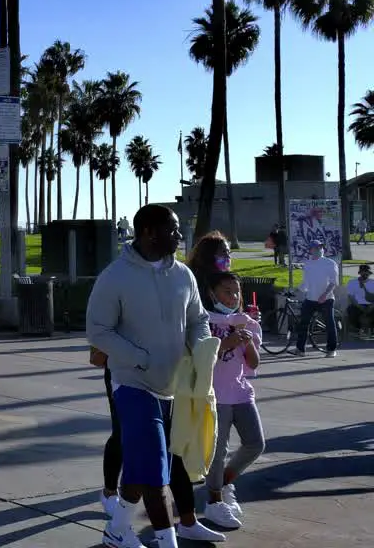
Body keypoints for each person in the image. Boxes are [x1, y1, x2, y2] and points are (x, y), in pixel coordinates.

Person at [87, 204, 218, 548]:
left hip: (172, 387)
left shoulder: (182, 275)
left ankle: (117, 530)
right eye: (172, 229)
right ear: (148, 232)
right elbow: (98, 331)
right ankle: (167, 541)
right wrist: (140, 359)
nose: (179, 236)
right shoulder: (115, 276)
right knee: (155, 473)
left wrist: (201, 351)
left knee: (143, 465)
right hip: (132, 384)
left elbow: (197, 319)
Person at [202, 271, 265, 530]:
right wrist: (227, 342)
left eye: (237, 292)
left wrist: (246, 339)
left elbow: (254, 363)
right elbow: (201, 359)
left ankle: (226, 482)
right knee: (218, 452)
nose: (233, 297)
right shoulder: (204, 321)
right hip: (215, 395)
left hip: (240, 392)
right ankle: (213, 501)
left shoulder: (244, 321)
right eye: (227, 291)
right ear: (211, 293)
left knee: (255, 444)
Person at [293, 238, 340, 357]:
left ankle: (331, 349)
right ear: (311, 250)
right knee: (303, 323)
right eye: (316, 248)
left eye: (321, 248)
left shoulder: (330, 263)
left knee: (329, 323)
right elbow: (306, 283)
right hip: (311, 298)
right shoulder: (308, 264)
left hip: (327, 298)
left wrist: (325, 294)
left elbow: (334, 282)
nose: (319, 250)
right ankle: (300, 349)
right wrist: (296, 290)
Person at [186, 231, 232, 311]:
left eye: (228, 252)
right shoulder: (195, 282)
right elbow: (196, 313)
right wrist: (227, 319)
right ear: (209, 255)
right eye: (223, 252)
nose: (228, 257)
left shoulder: (229, 282)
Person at [346, 264, 373, 340]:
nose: (365, 274)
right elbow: (351, 297)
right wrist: (359, 306)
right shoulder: (352, 282)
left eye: (367, 272)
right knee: (351, 309)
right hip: (357, 305)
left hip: (371, 305)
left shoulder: (373, 283)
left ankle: (372, 330)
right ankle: (357, 329)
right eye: (363, 272)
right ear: (360, 273)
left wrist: (372, 306)